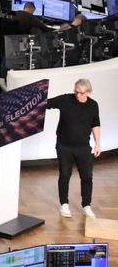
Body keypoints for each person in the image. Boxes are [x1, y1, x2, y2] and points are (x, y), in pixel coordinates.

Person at [46, 78, 101, 218]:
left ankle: (86, 205)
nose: (78, 95)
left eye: (82, 93)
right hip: (64, 146)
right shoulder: (65, 100)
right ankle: (64, 204)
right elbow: (46, 103)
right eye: (76, 92)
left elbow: (96, 124)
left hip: (83, 147)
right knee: (65, 175)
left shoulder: (93, 105)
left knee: (87, 177)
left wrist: (98, 143)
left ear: (88, 92)